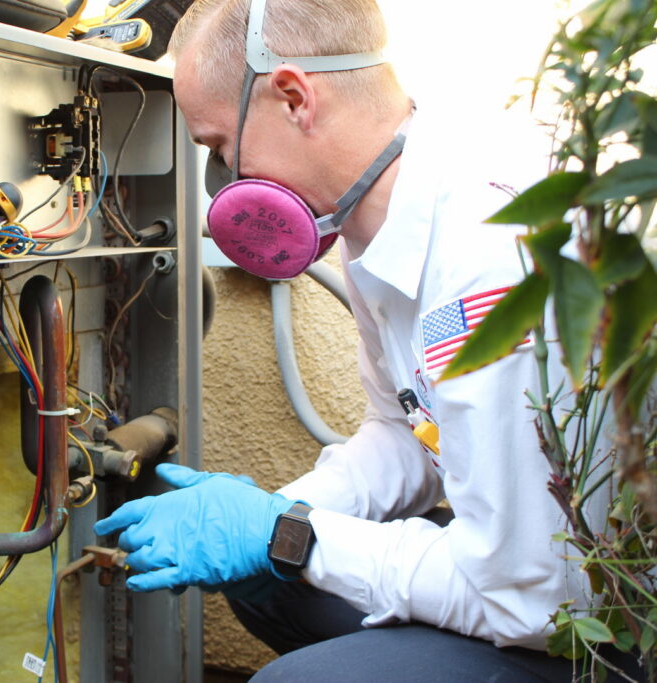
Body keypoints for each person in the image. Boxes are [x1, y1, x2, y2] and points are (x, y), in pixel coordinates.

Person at [93, 0, 643, 680]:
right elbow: (406, 432)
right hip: (525, 565)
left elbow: (535, 595)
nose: (224, 184)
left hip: (600, 618)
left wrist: (285, 532)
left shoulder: (488, 256)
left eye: (219, 149)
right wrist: (279, 513)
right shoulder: (369, 228)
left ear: (294, 96)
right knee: (270, 584)